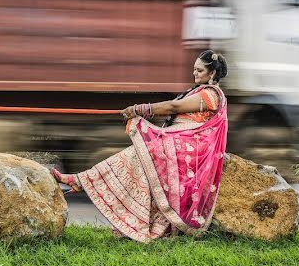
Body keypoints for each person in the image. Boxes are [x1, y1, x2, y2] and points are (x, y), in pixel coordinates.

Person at [51, 50, 229, 242]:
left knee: (141, 153)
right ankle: (83, 181)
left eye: (199, 70)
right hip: (179, 141)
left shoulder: (211, 95)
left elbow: (174, 107)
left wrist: (141, 109)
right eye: (194, 69)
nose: (194, 74)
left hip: (191, 149)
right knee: (139, 157)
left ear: (212, 74)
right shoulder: (198, 91)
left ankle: (81, 181)